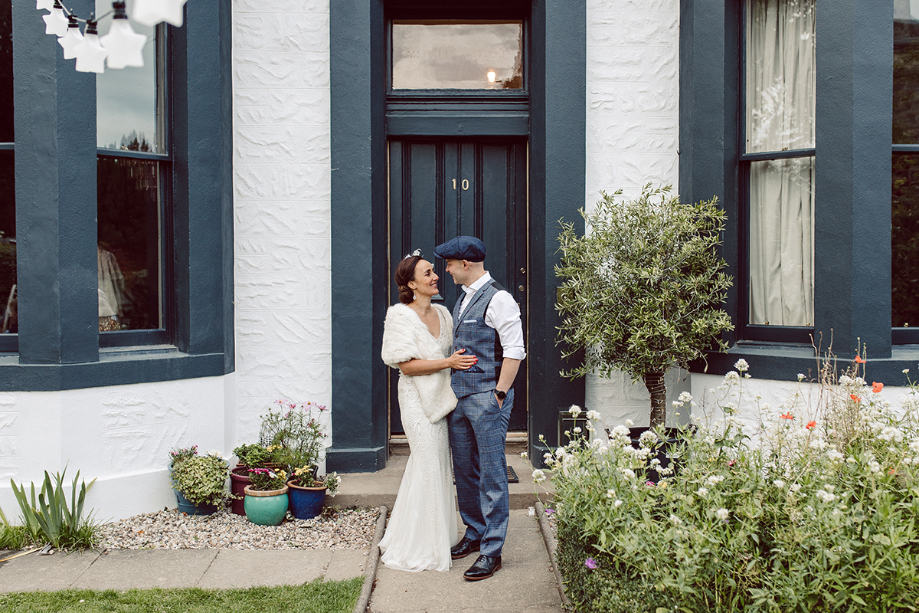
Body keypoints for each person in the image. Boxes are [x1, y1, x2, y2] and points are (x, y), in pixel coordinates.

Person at [433, 236, 526, 581]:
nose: (446, 270)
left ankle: (492, 551)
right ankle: (474, 533)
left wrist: (499, 394)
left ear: (465, 265)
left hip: (488, 398)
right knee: (465, 471)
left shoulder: (499, 299)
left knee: (491, 474)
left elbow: (515, 350)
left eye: (450, 264)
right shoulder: (463, 298)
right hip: (460, 400)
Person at [379, 252, 478, 572]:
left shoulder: (444, 314)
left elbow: (457, 353)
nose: (435, 276)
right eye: (427, 273)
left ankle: (435, 535)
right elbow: (406, 366)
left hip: (441, 399)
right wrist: (448, 363)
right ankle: (420, 545)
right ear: (411, 283)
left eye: (434, 271)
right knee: (427, 462)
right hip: (415, 402)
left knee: (436, 464)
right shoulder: (399, 317)